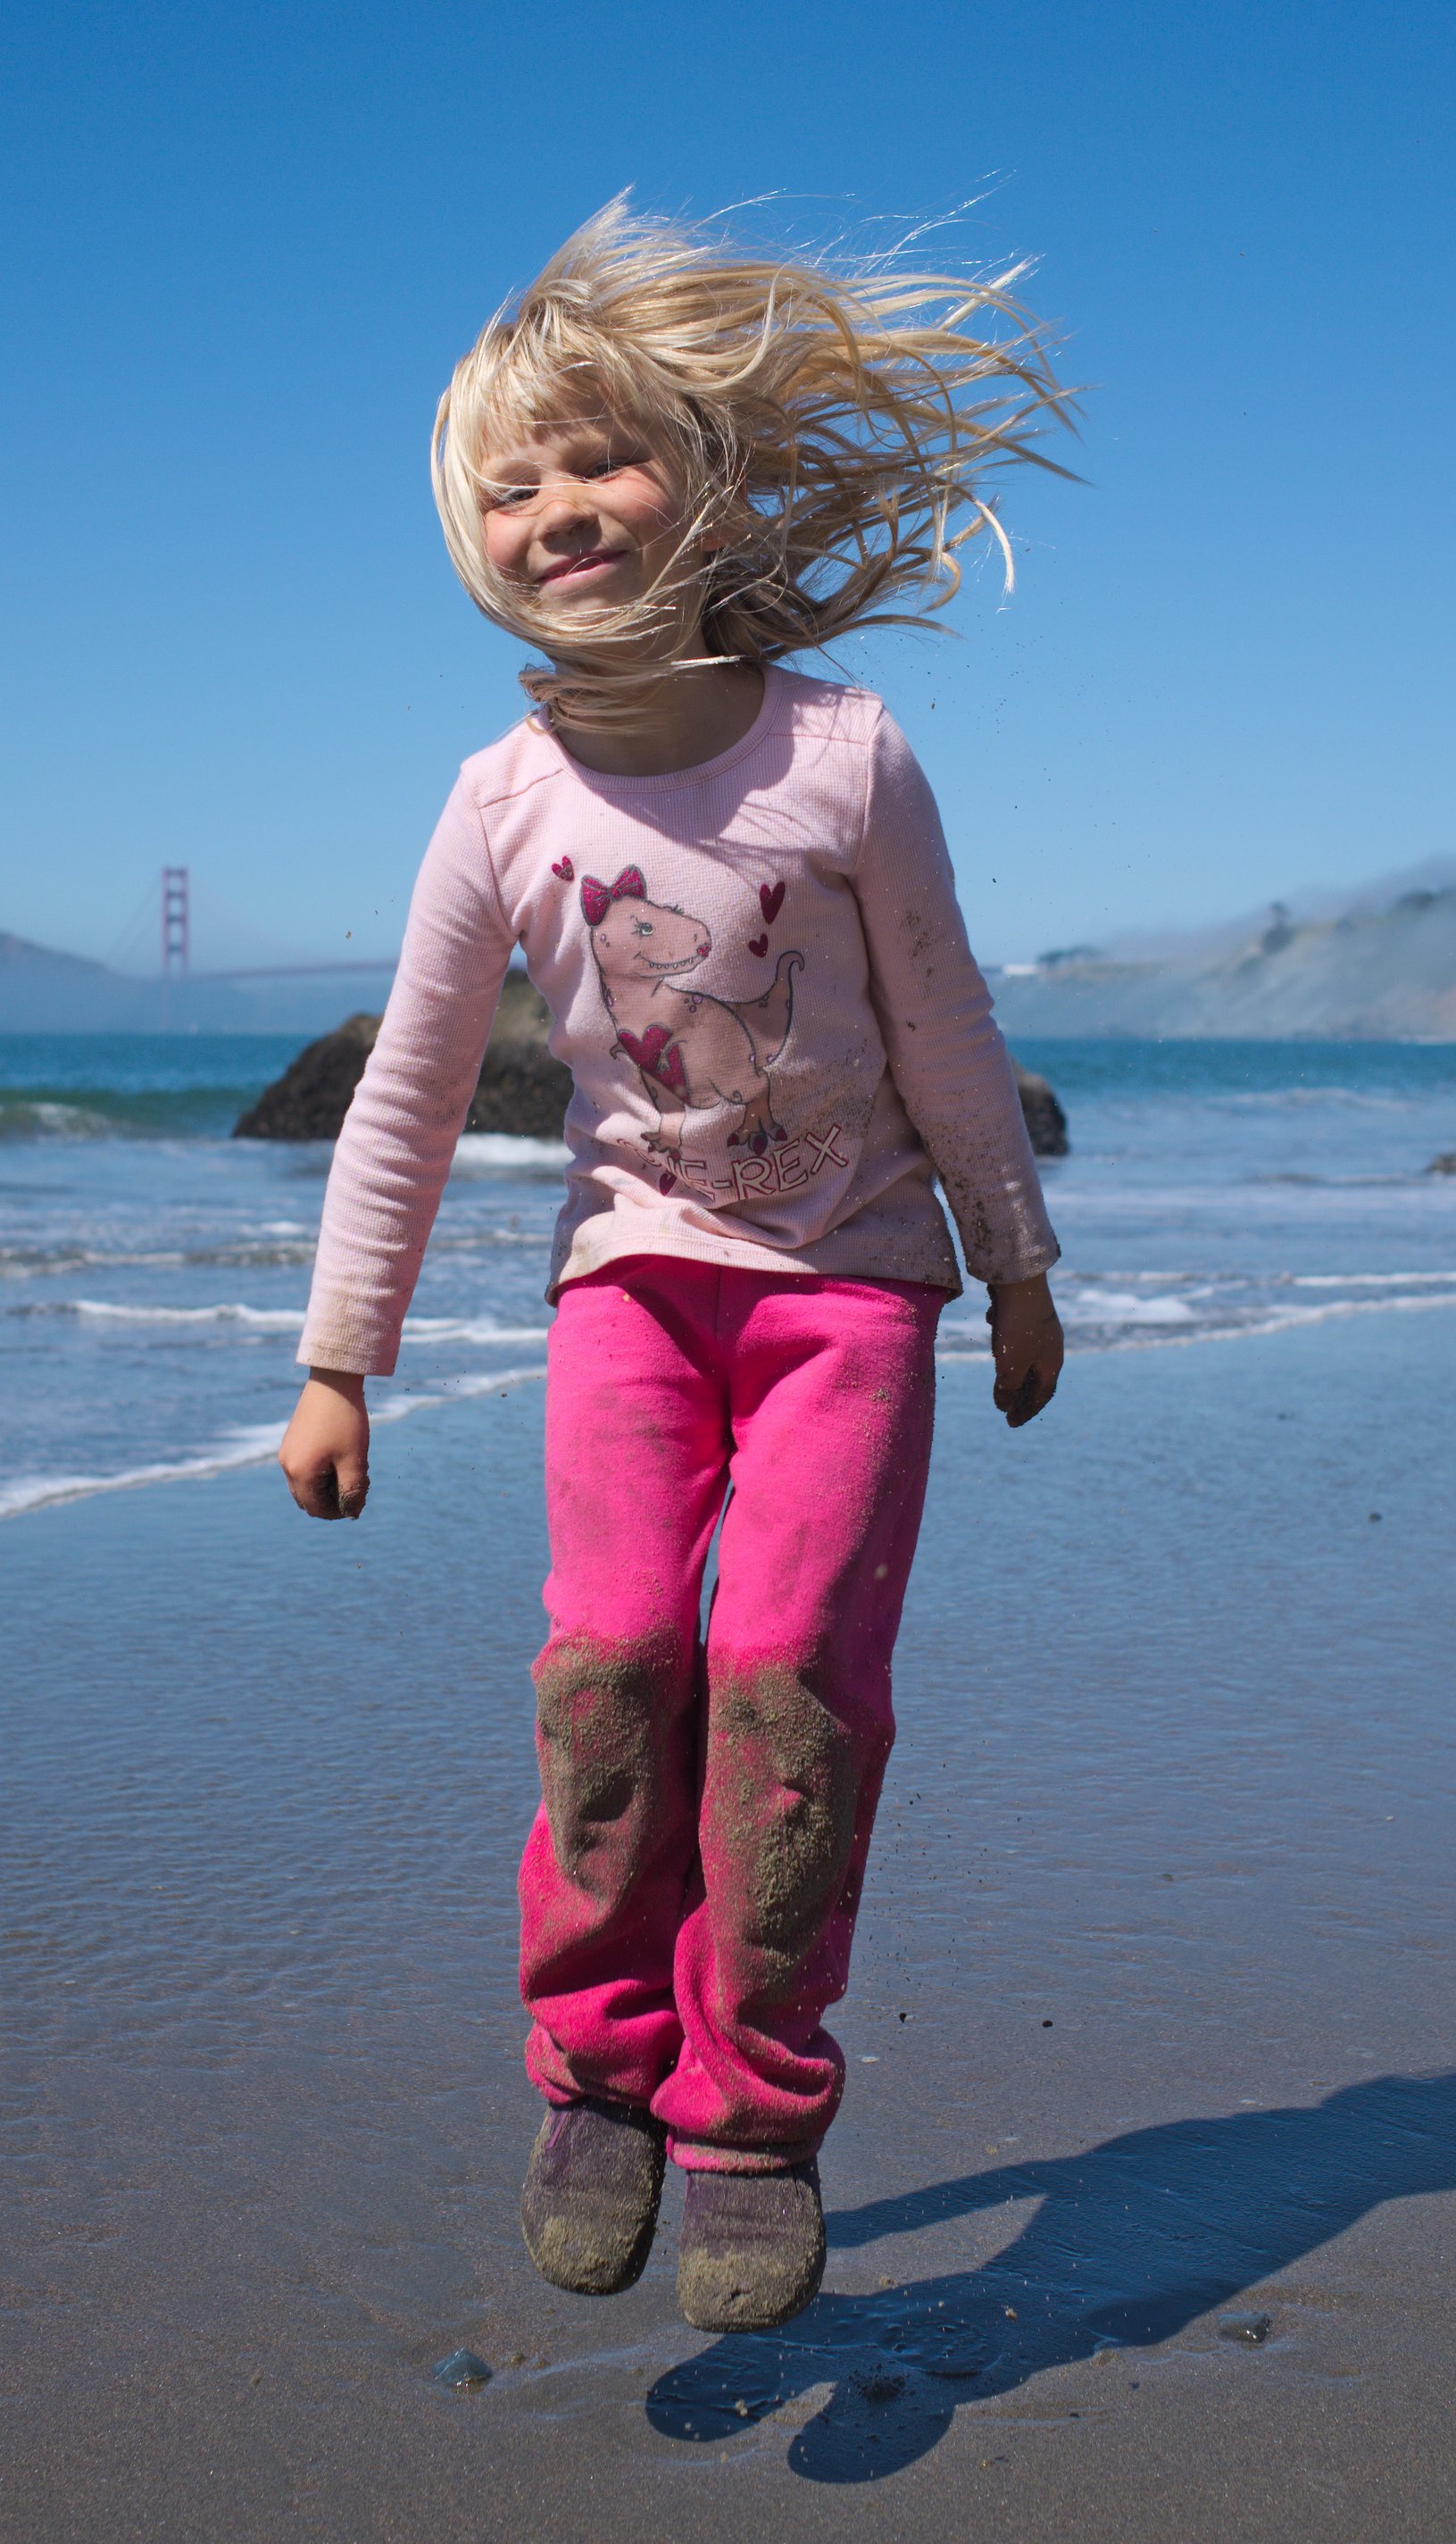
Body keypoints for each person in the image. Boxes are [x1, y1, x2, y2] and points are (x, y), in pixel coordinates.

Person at [279, 199, 1071, 2335]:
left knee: (789, 1681)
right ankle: (597, 2073)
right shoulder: (499, 800)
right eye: (509, 484)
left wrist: (1014, 1264)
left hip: (851, 1294)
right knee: (613, 1661)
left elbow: (948, 1022)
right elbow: (411, 1088)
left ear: (699, 475)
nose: (555, 508)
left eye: (599, 458)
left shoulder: (846, 755)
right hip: (629, 1288)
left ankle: (754, 2111)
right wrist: (341, 1355)